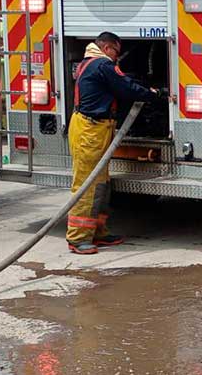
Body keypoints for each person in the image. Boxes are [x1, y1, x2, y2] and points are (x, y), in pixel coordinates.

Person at [67, 32, 168, 254]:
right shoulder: (102, 65)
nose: (117, 57)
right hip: (90, 131)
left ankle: (98, 232)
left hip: (94, 128)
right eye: (116, 52)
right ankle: (77, 238)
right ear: (107, 47)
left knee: (101, 183)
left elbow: (122, 82)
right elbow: (126, 88)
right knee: (87, 184)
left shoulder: (91, 63)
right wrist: (155, 94)